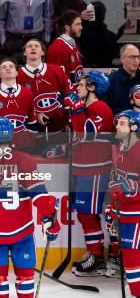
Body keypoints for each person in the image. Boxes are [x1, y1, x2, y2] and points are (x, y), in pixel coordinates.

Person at [0, 116, 60, 298]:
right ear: (12, 135)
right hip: (21, 232)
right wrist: (49, 221)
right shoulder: (25, 160)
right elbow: (40, 196)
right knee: (25, 279)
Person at [63, 71, 116, 276]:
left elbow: (86, 134)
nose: (77, 88)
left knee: (90, 214)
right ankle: (94, 253)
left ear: (92, 88)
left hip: (96, 170)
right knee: (85, 214)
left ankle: (101, 256)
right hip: (83, 169)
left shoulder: (100, 108)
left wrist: (76, 108)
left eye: (82, 85)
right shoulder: (85, 108)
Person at [107, 110, 140, 293]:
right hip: (126, 213)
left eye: (122, 123)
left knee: (132, 257)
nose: (117, 126)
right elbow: (116, 187)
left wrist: (131, 186)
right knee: (130, 258)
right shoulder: (120, 151)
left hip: (137, 214)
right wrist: (113, 211)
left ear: (134, 127)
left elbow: (128, 186)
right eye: (117, 123)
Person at [17, 38, 72, 133]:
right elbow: (17, 105)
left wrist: (68, 121)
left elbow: (69, 93)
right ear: (24, 53)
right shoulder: (17, 75)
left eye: (36, 46)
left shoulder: (57, 70)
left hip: (60, 130)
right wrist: (35, 115)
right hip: (32, 134)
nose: (33, 48)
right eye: (29, 46)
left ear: (43, 52)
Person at [0, 57, 38, 136]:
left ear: (17, 72)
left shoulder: (28, 93)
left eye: (11, 66)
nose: (8, 69)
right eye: (4, 67)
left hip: (23, 146)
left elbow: (32, 123)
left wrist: (29, 144)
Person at [47, 10, 84, 88]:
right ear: (67, 27)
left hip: (75, 95)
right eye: (77, 24)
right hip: (66, 97)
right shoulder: (58, 47)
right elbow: (57, 80)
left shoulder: (73, 44)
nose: (81, 27)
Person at [105, 44, 140, 115]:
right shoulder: (110, 81)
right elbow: (106, 109)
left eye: (138, 57)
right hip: (121, 122)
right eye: (132, 57)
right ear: (122, 58)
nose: (136, 60)